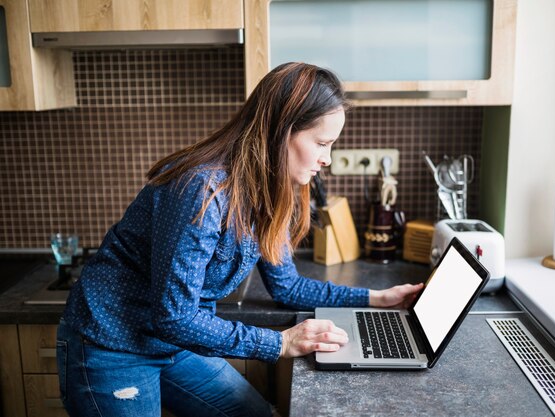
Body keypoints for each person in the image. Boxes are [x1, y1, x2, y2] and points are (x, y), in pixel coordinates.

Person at [57, 62, 423, 417]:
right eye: (322, 143)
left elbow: (287, 287)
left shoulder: (270, 190)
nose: (327, 159)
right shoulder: (202, 189)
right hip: (112, 344)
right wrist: (280, 342)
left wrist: (377, 298)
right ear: (282, 131)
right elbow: (175, 316)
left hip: (174, 343)